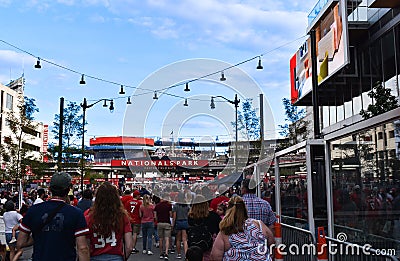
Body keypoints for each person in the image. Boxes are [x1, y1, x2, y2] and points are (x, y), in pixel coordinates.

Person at [16, 172, 90, 261]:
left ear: (50, 189)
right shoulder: (76, 213)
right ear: (69, 189)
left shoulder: (33, 210)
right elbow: (82, 248)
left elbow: (20, 243)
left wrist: (38, 236)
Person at [211, 196, 275, 261]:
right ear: (244, 209)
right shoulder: (259, 225)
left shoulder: (226, 231)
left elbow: (216, 256)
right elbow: (272, 243)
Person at [85, 182, 133, 261]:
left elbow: (85, 245)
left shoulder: (88, 216)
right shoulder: (122, 216)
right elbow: (129, 246)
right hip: (116, 256)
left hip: (95, 256)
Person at [188, 194, 221, 261]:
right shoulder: (213, 216)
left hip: (194, 242)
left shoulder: (191, 216)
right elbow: (219, 229)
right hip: (209, 242)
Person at [121, 189, 142, 253]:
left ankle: (128, 246)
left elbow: (126, 210)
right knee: (135, 234)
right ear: (137, 196)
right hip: (137, 220)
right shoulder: (139, 203)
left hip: (129, 219)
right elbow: (140, 213)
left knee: (129, 233)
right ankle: (133, 247)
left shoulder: (128, 202)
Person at [154, 193, 173, 260]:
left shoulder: (157, 206)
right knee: (167, 238)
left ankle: (161, 253)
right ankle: (166, 253)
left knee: (161, 239)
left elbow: (155, 216)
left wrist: (157, 220)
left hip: (160, 223)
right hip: (167, 222)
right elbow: (171, 215)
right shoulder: (169, 205)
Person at [172, 192, 190, 259]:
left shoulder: (176, 206)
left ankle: (179, 254)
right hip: (185, 222)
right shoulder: (186, 205)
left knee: (178, 239)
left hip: (178, 222)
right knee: (185, 240)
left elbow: (174, 216)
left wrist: (173, 225)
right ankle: (186, 254)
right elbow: (189, 215)